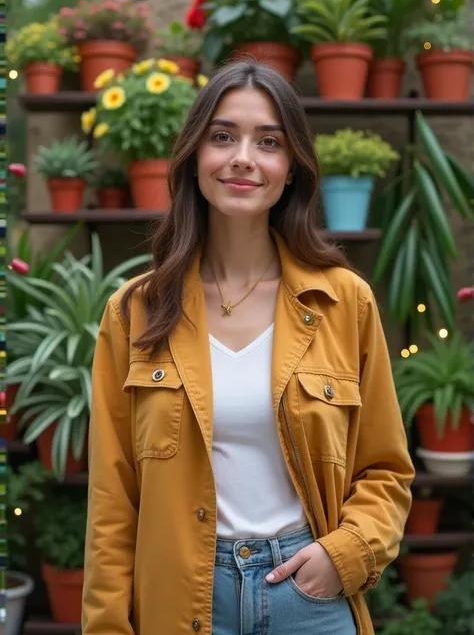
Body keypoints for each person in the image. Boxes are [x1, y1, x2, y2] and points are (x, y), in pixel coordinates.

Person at [82, 61, 415, 635]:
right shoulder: (134, 311)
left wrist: (345, 556)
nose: (243, 157)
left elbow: (385, 469)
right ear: (193, 159)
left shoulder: (344, 301)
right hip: (180, 597)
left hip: (307, 593)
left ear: (290, 171)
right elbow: (112, 502)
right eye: (222, 136)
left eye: (268, 142)